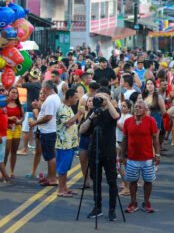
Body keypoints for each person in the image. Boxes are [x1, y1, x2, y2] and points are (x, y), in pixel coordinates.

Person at [80, 87, 120, 221]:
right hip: (95, 151)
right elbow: (82, 130)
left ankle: (112, 209)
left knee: (112, 181)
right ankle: (97, 207)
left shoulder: (113, 110)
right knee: (96, 180)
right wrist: (91, 117)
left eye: (102, 98)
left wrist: (107, 101)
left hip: (109, 151)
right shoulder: (93, 111)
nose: (100, 100)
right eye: (98, 97)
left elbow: (116, 116)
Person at [121, 100, 160, 213]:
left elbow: (155, 140)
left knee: (148, 181)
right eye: (136, 107)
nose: (137, 109)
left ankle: (146, 202)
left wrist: (157, 154)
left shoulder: (151, 121)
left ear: (145, 110)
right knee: (132, 181)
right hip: (132, 158)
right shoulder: (128, 121)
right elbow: (125, 139)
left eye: (140, 107)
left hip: (147, 158)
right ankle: (133, 202)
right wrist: (121, 154)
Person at [29, 80, 61, 186]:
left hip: (48, 131)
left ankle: (52, 179)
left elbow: (48, 117)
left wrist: (35, 123)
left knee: (50, 156)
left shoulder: (51, 99)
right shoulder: (54, 97)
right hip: (50, 130)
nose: (41, 90)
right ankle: (50, 176)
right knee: (49, 155)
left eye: (42, 88)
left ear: (46, 88)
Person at [56, 89, 84, 197]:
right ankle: (60, 189)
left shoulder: (67, 108)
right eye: (76, 97)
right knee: (63, 167)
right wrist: (78, 114)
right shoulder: (62, 108)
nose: (77, 100)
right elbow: (68, 123)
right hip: (64, 143)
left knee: (66, 167)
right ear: (70, 97)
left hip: (69, 143)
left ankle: (64, 187)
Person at [17, 69, 42, 155]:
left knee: (25, 130)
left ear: (31, 77)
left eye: (29, 76)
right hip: (36, 109)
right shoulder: (39, 84)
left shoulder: (30, 85)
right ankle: (31, 143)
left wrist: (22, 76)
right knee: (32, 128)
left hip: (30, 110)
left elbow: (16, 84)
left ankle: (24, 149)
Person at [5, 87, 24, 178]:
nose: (14, 94)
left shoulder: (19, 105)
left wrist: (20, 121)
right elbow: (1, 116)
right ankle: (3, 171)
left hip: (17, 128)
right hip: (7, 128)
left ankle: (11, 171)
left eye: (16, 93)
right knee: (6, 151)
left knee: (14, 151)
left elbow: (23, 116)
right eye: (13, 92)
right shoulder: (4, 104)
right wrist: (10, 119)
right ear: (8, 93)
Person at [116, 100, 133, 196]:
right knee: (122, 165)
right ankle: (127, 184)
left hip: (124, 144)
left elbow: (124, 130)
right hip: (119, 143)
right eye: (121, 105)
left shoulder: (129, 117)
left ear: (129, 108)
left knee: (120, 165)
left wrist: (115, 122)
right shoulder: (122, 116)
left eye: (124, 106)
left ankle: (128, 187)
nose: (122, 107)